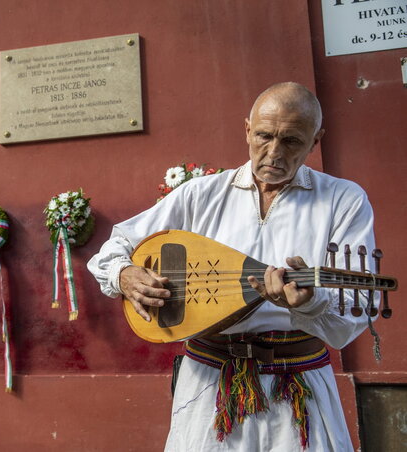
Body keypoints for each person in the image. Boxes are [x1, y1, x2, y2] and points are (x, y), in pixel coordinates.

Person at [88, 82, 377, 452]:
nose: (273, 152)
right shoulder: (200, 194)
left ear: (316, 139)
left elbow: (356, 305)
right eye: (263, 136)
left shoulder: (343, 199)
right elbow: (115, 248)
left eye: (291, 141)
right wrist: (124, 275)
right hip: (209, 382)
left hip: (298, 384)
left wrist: (307, 303)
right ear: (246, 130)